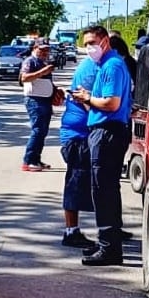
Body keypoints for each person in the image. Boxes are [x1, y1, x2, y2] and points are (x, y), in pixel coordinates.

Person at [73, 25, 134, 266]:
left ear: (105, 42)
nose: (89, 48)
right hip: (105, 131)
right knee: (105, 189)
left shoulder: (112, 66)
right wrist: (86, 98)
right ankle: (108, 243)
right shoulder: (106, 65)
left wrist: (88, 98)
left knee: (103, 190)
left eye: (92, 43)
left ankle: (109, 248)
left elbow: (111, 103)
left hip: (108, 133)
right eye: (86, 44)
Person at [58, 41, 100, 248]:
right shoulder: (92, 69)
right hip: (77, 138)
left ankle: (110, 226)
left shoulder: (93, 66)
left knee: (89, 183)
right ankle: (71, 231)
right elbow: (87, 103)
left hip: (78, 136)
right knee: (75, 184)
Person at [20, 38, 56, 172]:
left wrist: (55, 91)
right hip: (35, 100)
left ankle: (36, 159)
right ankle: (28, 161)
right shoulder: (30, 61)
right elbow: (24, 78)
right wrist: (42, 72)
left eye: (47, 49)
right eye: (42, 49)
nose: (45, 52)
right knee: (37, 131)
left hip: (44, 99)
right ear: (35, 48)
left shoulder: (43, 61)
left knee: (43, 132)